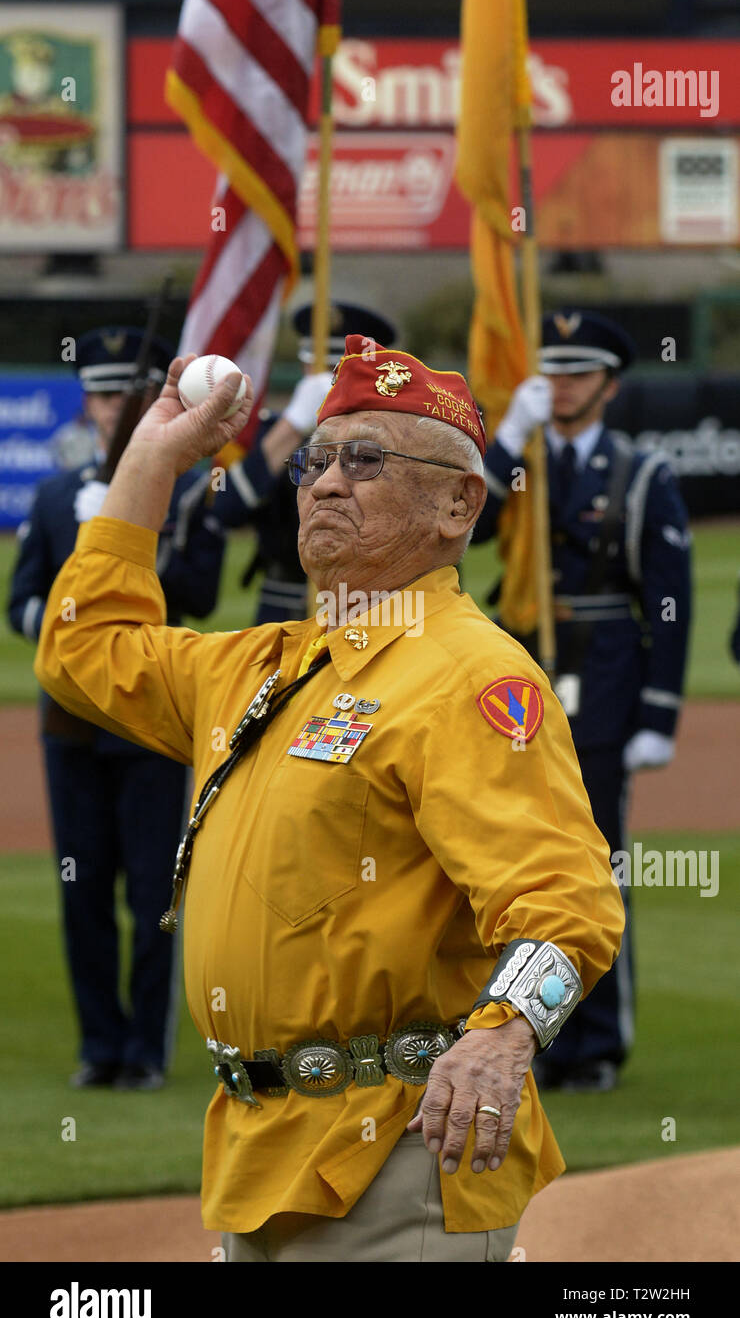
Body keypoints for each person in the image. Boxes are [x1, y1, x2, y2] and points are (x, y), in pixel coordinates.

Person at [35, 337, 623, 1262]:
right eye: (316, 458)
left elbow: (569, 903)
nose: (325, 484)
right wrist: (152, 457)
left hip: (398, 1160)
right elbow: (83, 649)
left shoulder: (469, 678)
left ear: (458, 504)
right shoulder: (265, 665)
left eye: (367, 460)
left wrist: (505, 1036)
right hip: (260, 1159)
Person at [475, 310, 692, 1093]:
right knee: (513, 864)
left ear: (609, 384)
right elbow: (464, 530)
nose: (561, 386)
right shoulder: (518, 460)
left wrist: (659, 713)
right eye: (553, 372)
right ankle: (523, 1031)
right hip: (516, 682)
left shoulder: (640, 474)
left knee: (595, 868)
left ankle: (594, 1041)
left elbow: (669, 599)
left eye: (577, 373)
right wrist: (504, 442)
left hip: (600, 682)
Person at [8, 326, 226, 1091]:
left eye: (120, 395)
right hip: (72, 723)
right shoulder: (55, 495)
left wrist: (143, 531)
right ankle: (99, 1045)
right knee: (83, 886)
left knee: (152, 888)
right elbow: (23, 602)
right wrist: (72, 629)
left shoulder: (191, 494)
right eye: (98, 395)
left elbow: (197, 594)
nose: (108, 410)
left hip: (150, 715)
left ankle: (145, 1051)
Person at [212, 301, 396, 623]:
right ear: (303, 369)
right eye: (318, 368)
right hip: (284, 605)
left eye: (342, 373)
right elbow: (226, 508)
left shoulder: (396, 436)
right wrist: (294, 425)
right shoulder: (274, 431)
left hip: (371, 606)